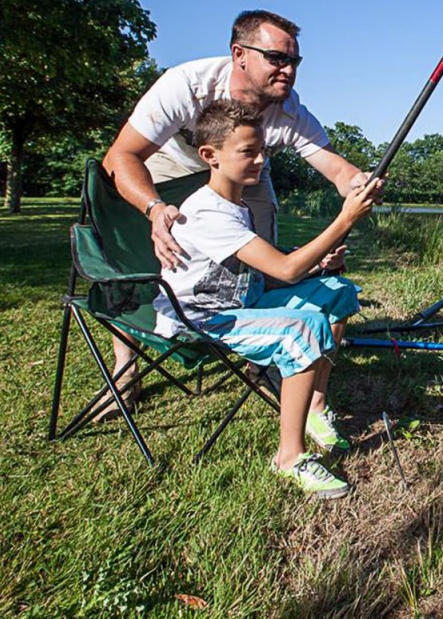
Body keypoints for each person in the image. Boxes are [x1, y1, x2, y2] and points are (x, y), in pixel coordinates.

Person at [97, 9, 380, 419]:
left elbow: (336, 168)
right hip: (167, 163)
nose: (288, 70)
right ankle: (126, 369)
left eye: (294, 62)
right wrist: (154, 208)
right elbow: (120, 156)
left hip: (245, 168)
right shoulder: (186, 85)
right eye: (277, 59)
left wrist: (359, 182)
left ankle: (259, 355)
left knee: (261, 258)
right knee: (139, 254)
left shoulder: (290, 112)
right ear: (240, 54)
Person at [154, 99, 380, 498]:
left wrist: (318, 264)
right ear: (210, 156)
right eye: (247, 152)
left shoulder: (237, 204)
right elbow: (284, 270)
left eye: (262, 151)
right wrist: (344, 219)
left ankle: (315, 407)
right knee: (303, 327)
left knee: (338, 291)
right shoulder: (208, 212)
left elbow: (269, 272)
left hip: (242, 302)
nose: (260, 160)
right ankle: (289, 457)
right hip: (203, 318)